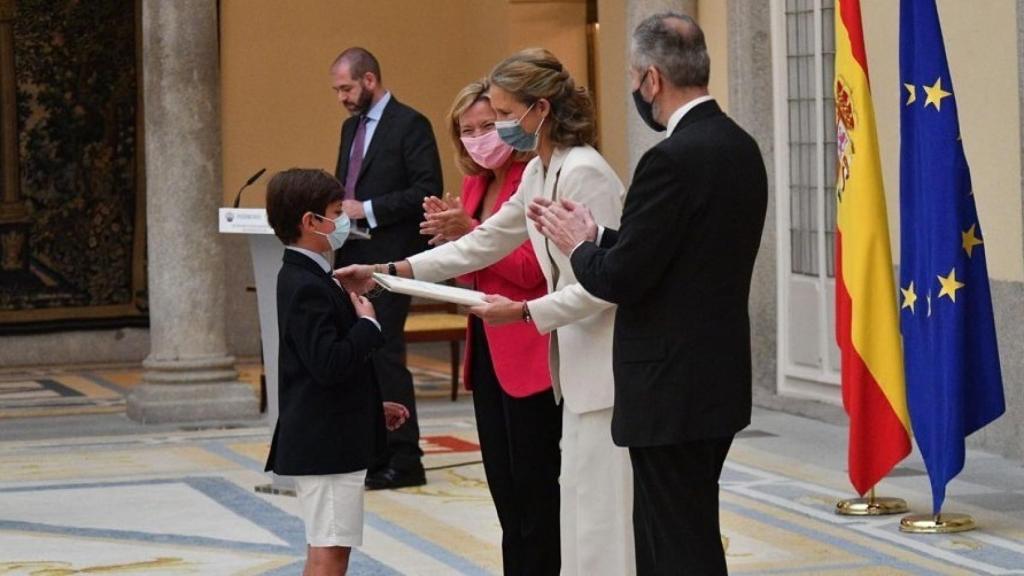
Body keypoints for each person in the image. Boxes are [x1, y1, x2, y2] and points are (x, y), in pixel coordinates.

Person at [338, 49, 635, 576]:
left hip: (605, 368)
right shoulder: (544, 170)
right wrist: (386, 271)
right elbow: (481, 245)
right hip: (574, 367)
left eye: (502, 114)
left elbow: (604, 283)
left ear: (539, 109)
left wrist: (522, 313)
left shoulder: (584, 171)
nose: (497, 127)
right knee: (577, 515)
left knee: (600, 521)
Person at [529, 13, 768, 575]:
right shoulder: (739, 146)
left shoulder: (670, 158)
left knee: (673, 546)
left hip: (668, 388)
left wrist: (578, 248)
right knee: (690, 530)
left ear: (652, 79)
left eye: (635, 77)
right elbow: (681, 253)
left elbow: (623, 279)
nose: (637, 89)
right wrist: (601, 236)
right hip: (716, 378)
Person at [419, 79, 561, 575]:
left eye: (487, 124)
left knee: (537, 491)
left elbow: (531, 270)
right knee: (504, 492)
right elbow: (472, 273)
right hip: (487, 352)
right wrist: (449, 241)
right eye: (467, 130)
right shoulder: (476, 183)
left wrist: (469, 234)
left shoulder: (535, 176)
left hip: (532, 349)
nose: (479, 136)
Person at [263, 168, 410, 576]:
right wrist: (368, 326)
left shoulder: (310, 275)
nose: (342, 220)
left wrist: (370, 407)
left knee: (327, 549)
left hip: (330, 435)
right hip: (324, 447)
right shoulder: (305, 283)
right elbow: (328, 363)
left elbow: (323, 370)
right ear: (310, 222)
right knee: (329, 555)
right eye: (334, 212)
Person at [330, 47, 443, 489]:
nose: (340, 97)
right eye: (337, 89)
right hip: (351, 254)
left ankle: (405, 458)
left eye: (346, 88)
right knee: (361, 354)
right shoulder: (349, 127)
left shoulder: (409, 124)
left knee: (385, 354)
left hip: (392, 259)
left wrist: (368, 208)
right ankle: (373, 453)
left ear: (370, 80)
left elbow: (426, 190)